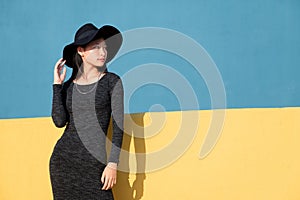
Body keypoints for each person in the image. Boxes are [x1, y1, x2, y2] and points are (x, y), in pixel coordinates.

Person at [50, 23, 124, 200]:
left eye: (104, 48)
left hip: (95, 165)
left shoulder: (112, 82)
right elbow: (59, 121)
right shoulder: (68, 87)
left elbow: (118, 125)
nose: (102, 52)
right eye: (96, 47)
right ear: (81, 51)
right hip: (64, 162)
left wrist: (113, 164)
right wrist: (57, 86)